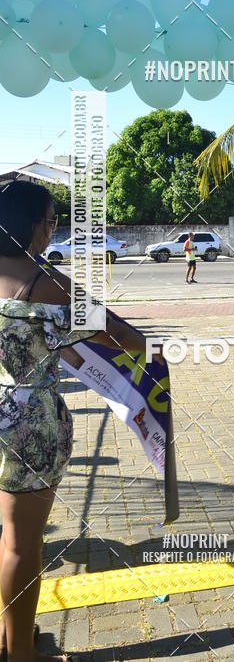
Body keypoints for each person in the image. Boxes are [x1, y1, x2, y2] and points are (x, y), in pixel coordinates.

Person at [0, 181, 164, 662]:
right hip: (31, 426)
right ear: (32, 223)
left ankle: (10, 640)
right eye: (52, 220)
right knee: (21, 545)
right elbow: (125, 335)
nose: (54, 229)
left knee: (4, 537)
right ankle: (24, 654)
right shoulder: (47, 283)